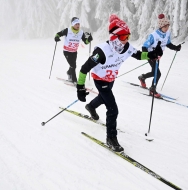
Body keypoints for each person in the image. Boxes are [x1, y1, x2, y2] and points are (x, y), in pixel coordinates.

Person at [76, 15, 163, 152]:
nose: (126, 40)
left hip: (111, 79)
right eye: (123, 37)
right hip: (100, 79)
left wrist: (151, 54)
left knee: (104, 98)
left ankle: (90, 107)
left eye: (128, 36)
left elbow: (139, 55)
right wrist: (80, 87)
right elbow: (84, 68)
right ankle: (111, 138)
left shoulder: (126, 47)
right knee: (113, 109)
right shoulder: (102, 51)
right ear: (114, 37)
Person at [138, 14, 181, 98]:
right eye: (165, 27)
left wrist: (176, 48)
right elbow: (144, 47)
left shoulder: (167, 33)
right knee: (158, 73)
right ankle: (152, 89)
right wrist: (149, 56)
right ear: (161, 26)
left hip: (158, 56)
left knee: (155, 72)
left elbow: (167, 43)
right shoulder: (153, 35)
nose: (166, 28)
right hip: (151, 55)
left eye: (168, 26)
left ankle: (142, 77)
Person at [54, 17, 93, 83]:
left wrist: (89, 39)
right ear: (73, 24)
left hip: (74, 52)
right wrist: (56, 37)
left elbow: (85, 42)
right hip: (66, 51)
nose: (78, 25)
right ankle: (74, 80)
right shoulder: (67, 30)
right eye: (76, 24)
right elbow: (59, 34)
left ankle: (69, 73)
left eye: (78, 24)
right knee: (73, 65)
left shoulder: (81, 32)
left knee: (73, 65)